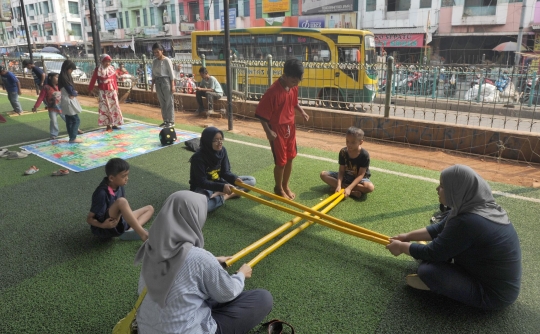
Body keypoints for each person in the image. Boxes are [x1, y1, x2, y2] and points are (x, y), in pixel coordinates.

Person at [134, 191, 273, 334]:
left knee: (202, 292)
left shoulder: (151, 246)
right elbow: (227, 292)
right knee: (263, 299)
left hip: (146, 329)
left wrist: (212, 262)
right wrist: (241, 274)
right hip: (186, 330)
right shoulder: (199, 259)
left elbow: (180, 268)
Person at [386, 164, 522, 310]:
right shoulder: (475, 205)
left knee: (428, 271)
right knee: (429, 253)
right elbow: (439, 228)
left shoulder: (468, 221)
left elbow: (433, 253)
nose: (437, 189)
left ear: (456, 190)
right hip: (486, 277)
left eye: (442, 186)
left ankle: (435, 282)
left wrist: (401, 247)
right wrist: (407, 236)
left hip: (492, 295)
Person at [255, 58, 309, 200]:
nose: (295, 84)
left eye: (298, 81)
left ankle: (285, 185)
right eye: (293, 81)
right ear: (284, 76)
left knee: (291, 158)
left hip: (290, 127)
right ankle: (278, 188)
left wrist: (301, 111)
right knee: (281, 162)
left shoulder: (293, 86)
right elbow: (261, 114)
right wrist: (268, 132)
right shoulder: (272, 92)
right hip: (277, 129)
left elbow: (294, 102)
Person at [189, 127, 256, 213]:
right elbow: (202, 182)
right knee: (203, 208)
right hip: (203, 187)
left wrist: (234, 179)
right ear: (208, 141)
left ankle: (223, 194)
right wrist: (222, 187)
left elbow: (225, 172)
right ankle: (225, 195)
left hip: (219, 181)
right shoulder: (198, 158)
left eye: (221, 139)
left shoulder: (222, 151)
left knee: (251, 180)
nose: (220, 142)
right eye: (216, 140)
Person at [87, 158, 153, 241]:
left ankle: (130, 230)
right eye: (123, 176)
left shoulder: (119, 186)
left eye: (127, 175)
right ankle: (144, 235)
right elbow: (89, 219)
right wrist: (103, 225)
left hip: (120, 221)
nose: (127, 178)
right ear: (111, 178)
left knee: (150, 208)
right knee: (122, 201)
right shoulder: (101, 193)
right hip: (107, 228)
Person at [320, 127, 374, 198]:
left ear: (360, 142)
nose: (349, 144)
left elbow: (360, 175)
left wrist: (349, 188)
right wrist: (339, 185)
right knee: (323, 174)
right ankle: (351, 192)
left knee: (370, 187)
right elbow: (341, 171)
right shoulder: (343, 152)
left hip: (360, 178)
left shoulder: (364, 155)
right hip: (346, 176)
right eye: (347, 141)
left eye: (353, 142)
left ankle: (346, 189)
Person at [88, 54, 124, 132]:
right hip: (103, 92)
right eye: (106, 61)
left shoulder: (111, 68)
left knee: (114, 107)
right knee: (106, 108)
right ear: (102, 61)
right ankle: (108, 125)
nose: (107, 63)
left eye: (109, 61)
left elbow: (114, 80)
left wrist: (116, 89)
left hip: (112, 91)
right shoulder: (98, 69)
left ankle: (114, 123)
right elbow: (93, 79)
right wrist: (90, 89)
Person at [32, 72, 65, 140]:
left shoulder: (60, 86)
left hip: (62, 107)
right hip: (52, 108)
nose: (57, 79)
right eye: (56, 77)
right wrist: (36, 106)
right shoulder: (46, 87)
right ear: (50, 78)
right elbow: (41, 97)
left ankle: (75, 129)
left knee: (68, 119)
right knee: (53, 121)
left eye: (58, 77)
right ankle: (54, 134)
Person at [150, 43, 175, 128]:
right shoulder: (154, 61)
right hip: (158, 81)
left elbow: (171, 73)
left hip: (166, 81)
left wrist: (172, 85)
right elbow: (153, 74)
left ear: (162, 51)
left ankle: (171, 121)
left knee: (169, 101)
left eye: (157, 52)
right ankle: (165, 120)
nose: (156, 54)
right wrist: (152, 85)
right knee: (162, 102)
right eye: (154, 52)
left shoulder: (167, 60)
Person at [58, 60, 83, 143]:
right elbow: (71, 91)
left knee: (69, 119)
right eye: (71, 69)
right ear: (67, 69)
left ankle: (71, 137)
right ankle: (73, 138)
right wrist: (75, 93)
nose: (71, 71)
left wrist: (73, 93)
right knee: (76, 120)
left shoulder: (62, 77)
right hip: (68, 100)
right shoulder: (65, 78)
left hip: (65, 99)